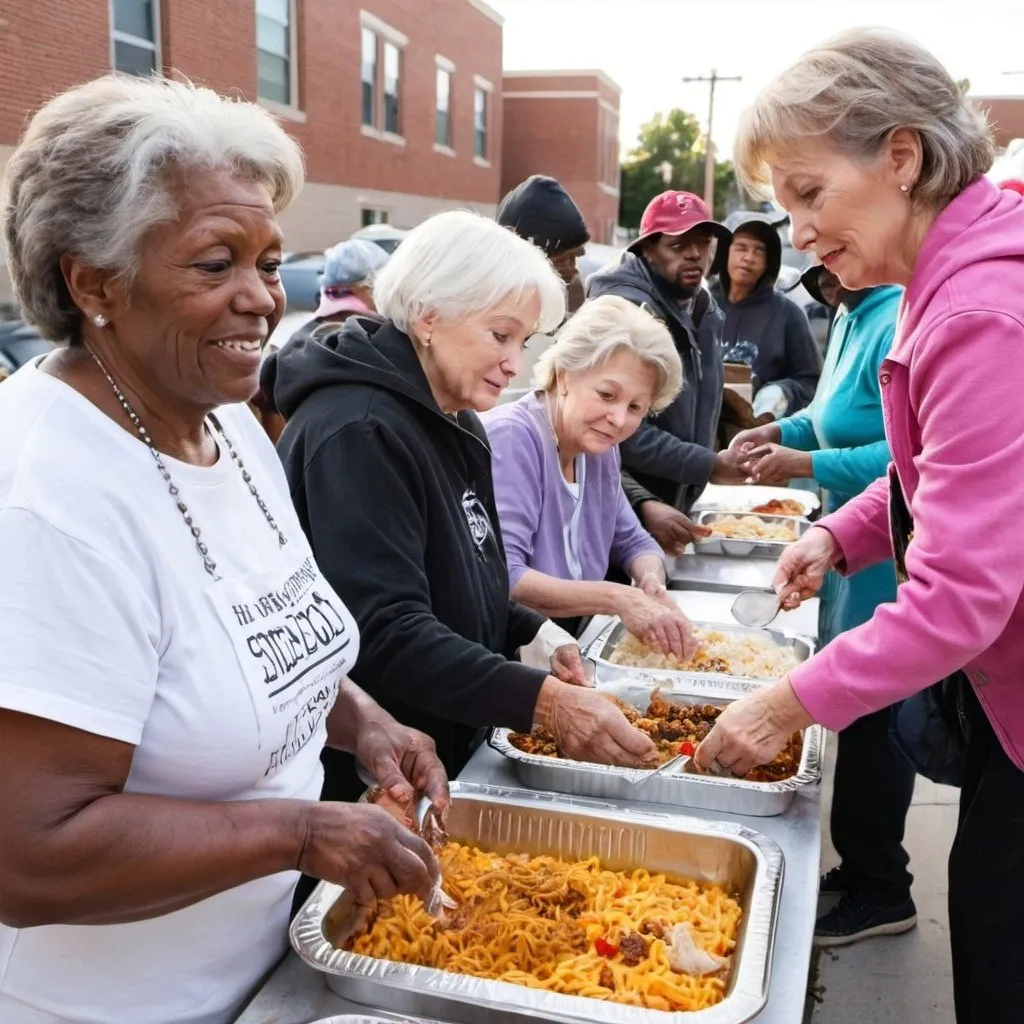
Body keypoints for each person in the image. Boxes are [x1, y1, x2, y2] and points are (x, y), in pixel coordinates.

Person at [0, 75, 447, 1024]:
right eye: (215, 265)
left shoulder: (228, 421)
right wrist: (302, 832)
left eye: (270, 261)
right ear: (93, 283)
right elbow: (26, 854)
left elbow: (254, 635)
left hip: (257, 976)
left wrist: (361, 721)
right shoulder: (44, 496)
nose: (260, 300)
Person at [694, 29, 1024, 1023]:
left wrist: (783, 704)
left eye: (806, 192)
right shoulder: (952, 276)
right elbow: (951, 477)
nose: (793, 229)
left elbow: (961, 593)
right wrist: (845, 533)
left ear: (901, 155)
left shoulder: (980, 307)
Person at [263, 211, 660, 798]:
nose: (514, 362)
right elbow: (385, 631)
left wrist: (533, 631)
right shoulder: (361, 429)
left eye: (523, 342)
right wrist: (543, 703)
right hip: (370, 776)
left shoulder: (456, 419)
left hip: (447, 739)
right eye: (499, 335)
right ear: (429, 315)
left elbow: (470, 574)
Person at [732, 280, 911, 946]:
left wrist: (804, 460)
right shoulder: (848, 313)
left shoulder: (896, 316)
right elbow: (831, 413)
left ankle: (883, 886)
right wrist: (779, 430)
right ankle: (861, 862)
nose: (823, 274)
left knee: (877, 721)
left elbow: (905, 460)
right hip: (847, 541)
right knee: (857, 721)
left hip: (883, 553)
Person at [482, 294, 694, 653]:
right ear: (564, 375)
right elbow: (507, 576)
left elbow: (633, 540)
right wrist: (618, 598)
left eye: (636, 407)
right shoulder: (513, 437)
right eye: (607, 395)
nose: (619, 419)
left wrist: (650, 582)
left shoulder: (600, 448)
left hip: (563, 645)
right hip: (505, 651)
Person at [587, 191, 748, 557]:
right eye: (678, 245)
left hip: (674, 507)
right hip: (616, 514)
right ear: (647, 249)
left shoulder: (701, 304)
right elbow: (617, 430)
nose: (695, 254)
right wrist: (706, 464)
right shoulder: (624, 312)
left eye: (703, 242)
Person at [710, 212, 820, 417]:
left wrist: (780, 394)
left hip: (758, 432)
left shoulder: (789, 314)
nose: (749, 258)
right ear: (725, 252)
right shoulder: (701, 307)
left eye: (759, 251)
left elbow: (811, 382)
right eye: (741, 248)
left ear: (769, 260)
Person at [497, 174, 590, 315]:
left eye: (575, 257)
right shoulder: (488, 299)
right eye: (562, 260)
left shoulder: (572, 290)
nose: (572, 270)